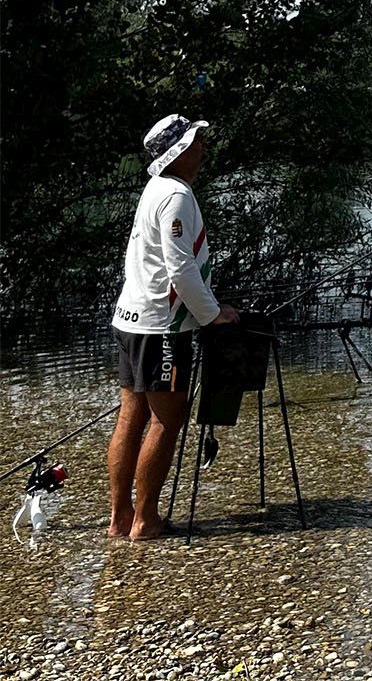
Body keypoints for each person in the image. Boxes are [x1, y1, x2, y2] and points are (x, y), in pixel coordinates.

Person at [106, 114, 239, 541]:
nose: (204, 149)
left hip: (130, 319)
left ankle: (120, 519)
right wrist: (213, 314)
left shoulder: (155, 189)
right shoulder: (178, 195)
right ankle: (146, 521)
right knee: (168, 418)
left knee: (131, 416)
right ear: (179, 150)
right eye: (198, 142)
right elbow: (180, 268)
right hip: (160, 327)